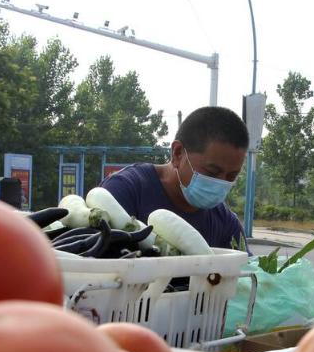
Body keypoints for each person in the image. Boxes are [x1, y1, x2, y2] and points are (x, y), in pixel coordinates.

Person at [101, 106, 249, 250]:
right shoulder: (123, 192)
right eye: (212, 172)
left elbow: (248, 271)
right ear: (178, 153)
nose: (220, 183)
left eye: (231, 176)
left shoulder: (225, 222)